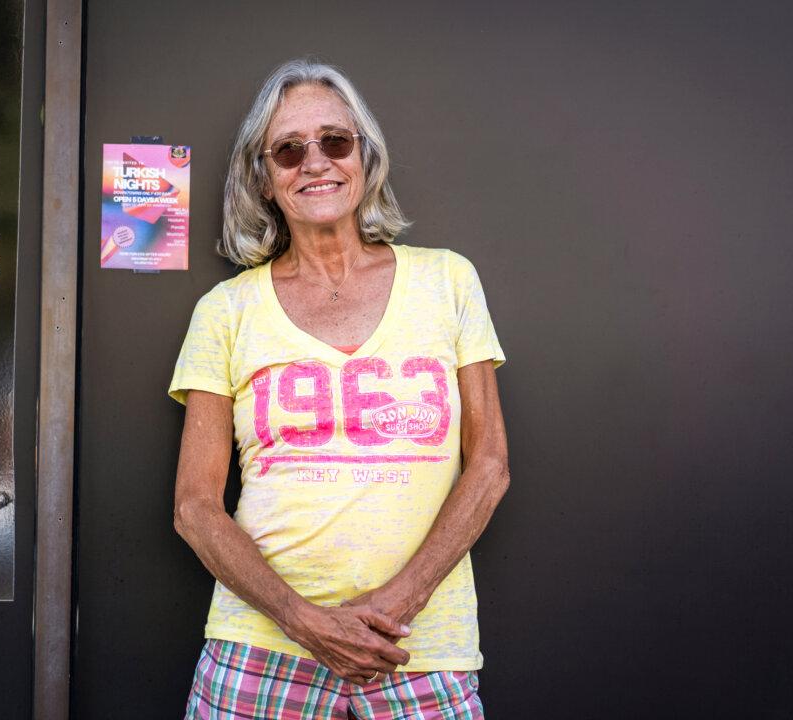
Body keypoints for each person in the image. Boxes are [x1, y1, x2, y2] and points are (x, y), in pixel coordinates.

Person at [169, 57, 509, 720]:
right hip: (262, 647)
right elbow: (194, 507)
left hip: (414, 646)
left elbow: (489, 465)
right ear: (263, 177)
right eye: (289, 150)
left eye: (335, 140)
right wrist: (302, 620)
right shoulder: (226, 311)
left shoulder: (448, 282)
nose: (316, 162)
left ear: (364, 156)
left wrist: (394, 606)